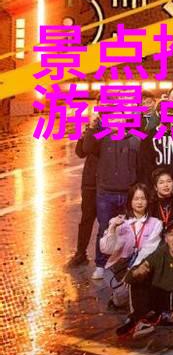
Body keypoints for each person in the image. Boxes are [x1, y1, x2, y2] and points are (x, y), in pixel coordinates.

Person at [117, 219, 173, 338]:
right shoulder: (161, 252)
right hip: (161, 299)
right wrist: (136, 273)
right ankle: (140, 319)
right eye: (171, 234)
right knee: (138, 279)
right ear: (166, 238)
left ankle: (145, 320)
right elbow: (133, 274)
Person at [93, 125, 150, 277]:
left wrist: (140, 190)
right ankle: (100, 264)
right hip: (105, 192)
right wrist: (93, 126)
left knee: (129, 229)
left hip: (127, 192)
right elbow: (86, 148)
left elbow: (141, 166)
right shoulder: (102, 137)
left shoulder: (135, 139)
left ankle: (124, 263)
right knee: (105, 228)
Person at [98, 183, 164, 310]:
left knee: (142, 295)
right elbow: (106, 249)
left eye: (143, 198)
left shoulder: (156, 224)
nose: (139, 202)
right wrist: (112, 228)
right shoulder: (120, 222)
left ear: (148, 201)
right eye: (136, 199)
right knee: (121, 298)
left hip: (142, 267)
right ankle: (119, 297)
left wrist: (133, 272)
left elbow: (149, 250)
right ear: (130, 201)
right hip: (119, 269)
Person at [67, 113, 100, 269]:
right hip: (90, 182)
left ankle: (106, 257)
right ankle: (81, 253)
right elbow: (81, 152)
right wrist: (84, 135)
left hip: (107, 182)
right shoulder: (92, 128)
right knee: (86, 219)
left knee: (107, 222)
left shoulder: (114, 127)